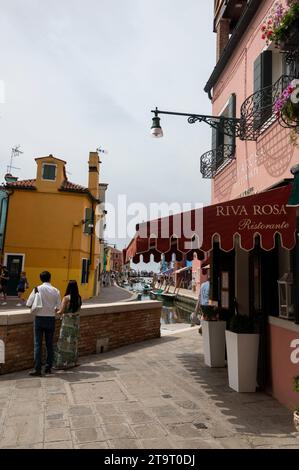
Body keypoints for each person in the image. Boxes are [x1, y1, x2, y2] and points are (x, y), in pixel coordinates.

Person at [26, 271, 61, 376]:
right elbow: (58, 308)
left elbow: (29, 304)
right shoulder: (56, 290)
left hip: (39, 319)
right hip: (50, 319)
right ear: (50, 278)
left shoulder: (37, 289)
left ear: (40, 279)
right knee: (49, 344)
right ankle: (48, 367)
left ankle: (37, 369)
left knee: (38, 344)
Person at [54, 280, 82, 370]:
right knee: (73, 342)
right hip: (75, 323)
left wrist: (55, 310)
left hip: (67, 323)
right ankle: (74, 361)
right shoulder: (79, 298)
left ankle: (62, 363)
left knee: (63, 343)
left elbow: (61, 312)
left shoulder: (66, 298)